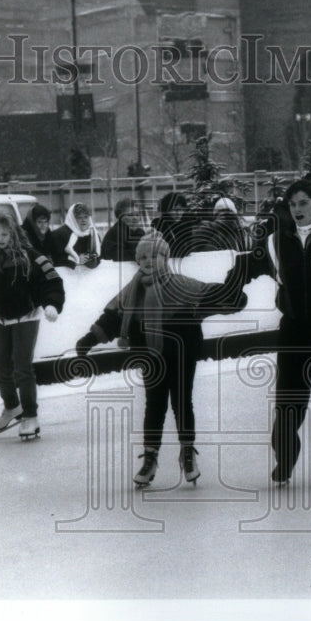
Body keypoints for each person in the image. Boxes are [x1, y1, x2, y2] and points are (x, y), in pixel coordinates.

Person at [75, 230, 246, 487]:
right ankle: (150, 457)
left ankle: (187, 452)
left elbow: (211, 295)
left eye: (154, 255)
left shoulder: (182, 285)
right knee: (154, 405)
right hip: (150, 357)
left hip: (182, 354)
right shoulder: (132, 291)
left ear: (165, 258)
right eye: (143, 256)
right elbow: (112, 318)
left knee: (182, 402)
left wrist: (233, 294)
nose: (147, 260)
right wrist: (89, 339)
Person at [228, 178, 311, 486]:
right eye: (293, 204)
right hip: (294, 331)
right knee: (288, 403)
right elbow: (248, 265)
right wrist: (229, 288)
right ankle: (285, 458)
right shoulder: (277, 242)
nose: (297, 209)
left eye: (303, 203)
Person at [0, 210, 66, 439]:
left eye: (5, 234)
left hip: (26, 317)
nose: (1, 239)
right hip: (0, 319)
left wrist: (52, 304)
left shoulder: (31, 256)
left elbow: (53, 280)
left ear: (14, 233)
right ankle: (12, 406)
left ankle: (30, 415)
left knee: (22, 367)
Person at [53, 202, 101, 269]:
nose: (83, 220)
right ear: (72, 219)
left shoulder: (94, 235)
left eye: (86, 217)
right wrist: (75, 258)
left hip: (87, 276)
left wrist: (91, 260)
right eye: (79, 217)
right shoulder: (59, 234)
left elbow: (99, 257)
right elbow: (55, 258)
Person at [150, 191, 195, 258]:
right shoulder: (158, 224)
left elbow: (189, 249)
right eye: (174, 210)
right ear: (166, 210)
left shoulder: (186, 224)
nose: (178, 213)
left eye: (181, 209)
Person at [100, 197, 145, 262]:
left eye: (137, 215)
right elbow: (114, 255)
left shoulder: (140, 232)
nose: (135, 218)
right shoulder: (116, 232)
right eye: (130, 215)